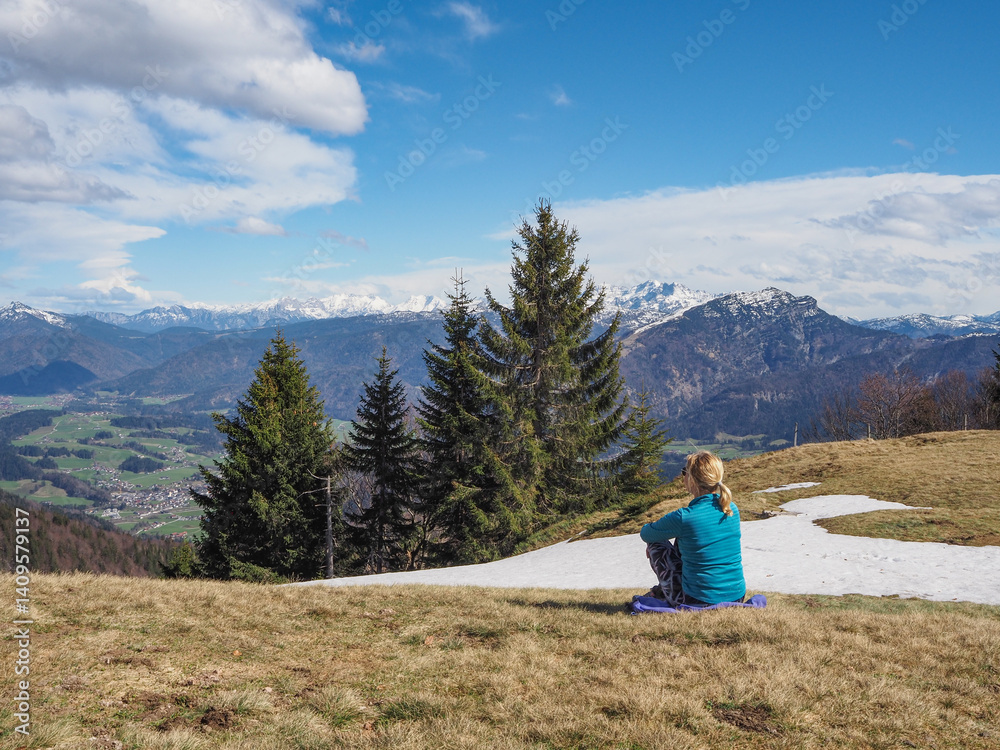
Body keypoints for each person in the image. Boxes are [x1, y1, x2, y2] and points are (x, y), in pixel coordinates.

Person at [639, 451, 745, 607]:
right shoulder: (731, 508)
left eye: (685, 472)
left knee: (656, 543)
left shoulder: (684, 517)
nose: (683, 476)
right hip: (737, 596)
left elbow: (646, 533)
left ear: (692, 480)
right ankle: (665, 590)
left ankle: (666, 591)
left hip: (698, 600)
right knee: (686, 539)